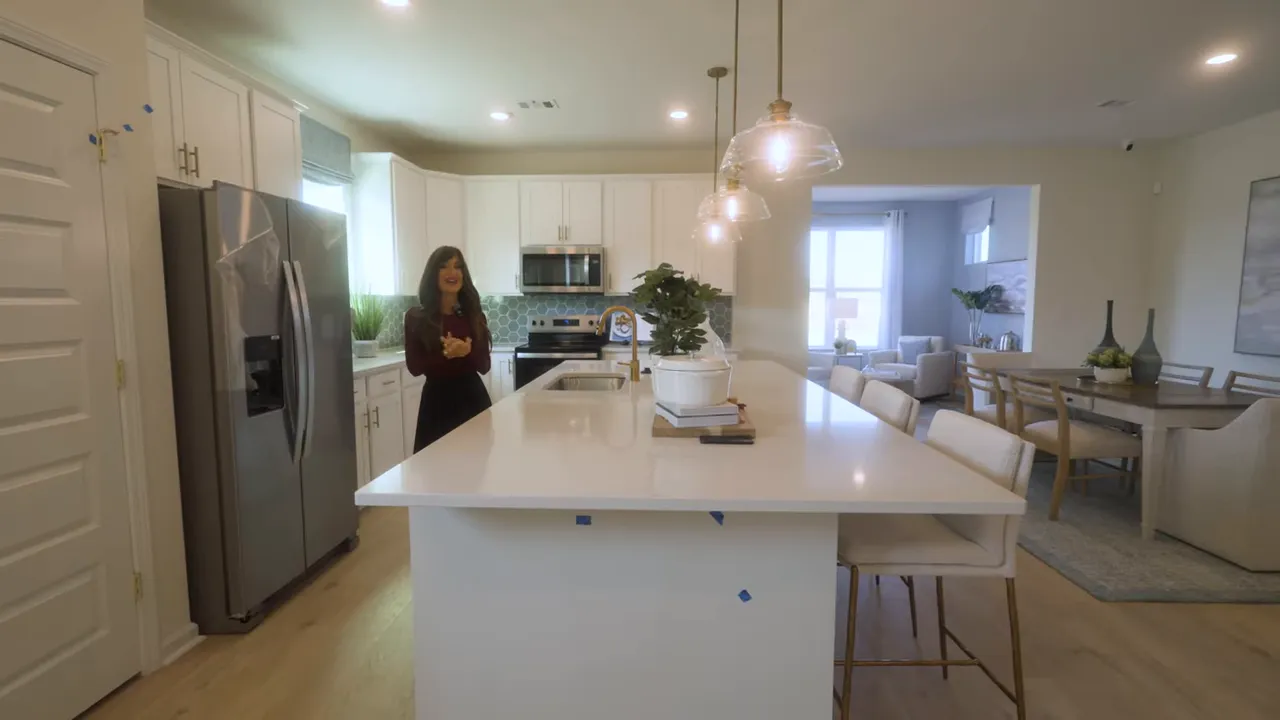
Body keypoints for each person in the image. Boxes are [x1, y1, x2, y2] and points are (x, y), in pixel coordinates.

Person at [404, 246, 492, 453]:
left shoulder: (474, 316)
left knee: (475, 472)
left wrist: (467, 352)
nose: (452, 273)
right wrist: (446, 354)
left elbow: (485, 366)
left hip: (473, 401)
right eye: (444, 267)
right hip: (436, 404)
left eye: (458, 267)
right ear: (433, 274)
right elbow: (415, 367)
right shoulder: (416, 318)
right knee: (434, 473)